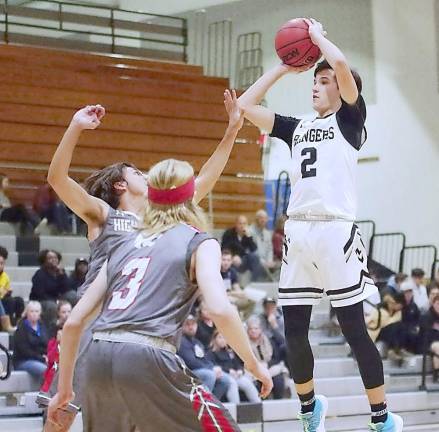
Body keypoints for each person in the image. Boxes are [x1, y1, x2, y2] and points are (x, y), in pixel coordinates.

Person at [44, 89, 251, 430]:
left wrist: (231, 131)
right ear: (120, 186)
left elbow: (203, 181)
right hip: (91, 326)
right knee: (59, 420)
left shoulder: (163, 219)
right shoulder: (104, 215)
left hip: (133, 327)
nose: (145, 175)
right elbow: (56, 179)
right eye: (136, 172)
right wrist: (75, 127)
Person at [238, 18, 403, 431]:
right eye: (315, 79)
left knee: (352, 329)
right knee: (294, 327)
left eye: (324, 80)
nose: (317, 84)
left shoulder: (349, 121)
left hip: (336, 232)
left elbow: (344, 65)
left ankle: (381, 419)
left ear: (343, 89)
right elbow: (245, 107)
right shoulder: (297, 128)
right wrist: (282, 68)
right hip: (298, 232)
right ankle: (310, 408)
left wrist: (316, 39)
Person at [178, 315, 233, 401]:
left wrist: (213, 367)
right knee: (210, 375)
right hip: (187, 372)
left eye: (193, 324)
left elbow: (205, 359)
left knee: (225, 379)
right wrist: (211, 369)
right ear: (182, 326)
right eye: (187, 324)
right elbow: (191, 362)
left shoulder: (196, 342)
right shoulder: (181, 341)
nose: (191, 327)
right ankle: (201, 404)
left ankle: (213, 403)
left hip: (200, 370)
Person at [209, 330, 261, 403]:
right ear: (215, 339)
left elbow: (237, 364)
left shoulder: (229, 352)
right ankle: (235, 408)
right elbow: (213, 366)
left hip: (235, 375)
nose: (223, 340)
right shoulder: (211, 353)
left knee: (247, 382)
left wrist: (240, 370)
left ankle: (258, 404)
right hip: (223, 376)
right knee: (232, 384)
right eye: (220, 337)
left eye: (224, 338)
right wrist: (228, 371)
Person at [29, 250, 75, 328]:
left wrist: (62, 275)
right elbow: (40, 294)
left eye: (55, 258)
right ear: (44, 261)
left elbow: (67, 289)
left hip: (56, 299)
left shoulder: (60, 273)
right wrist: (56, 301)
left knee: (73, 295)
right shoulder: (39, 274)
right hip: (42, 301)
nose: (54, 260)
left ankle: (74, 323)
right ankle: (53, 327)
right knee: (52, 306)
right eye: (50, 258)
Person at [247, 315, 286, 399]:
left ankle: (278, 402)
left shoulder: (269, 340)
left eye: (256, 328)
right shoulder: (245, 344)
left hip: (270, 368)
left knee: (278, 380)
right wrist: (259, 366)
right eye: (251, 329)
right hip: (253, 370)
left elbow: (276, 358)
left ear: (260, 329)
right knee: (257, 382)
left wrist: (266, 364)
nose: (253, 331)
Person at [13, 301, 49, 382]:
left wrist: (48, 356)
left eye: (36, 311)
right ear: (27, 312)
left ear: (40, 313)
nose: (34, 314)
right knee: (45, 370)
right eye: (31, 311)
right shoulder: (21, 328)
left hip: (41, 359)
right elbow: (24, 351)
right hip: (24, 361)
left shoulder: (43, 326)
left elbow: (47, 344)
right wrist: (41, 358)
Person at [222, 215, 266, 281]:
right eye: (240, 223)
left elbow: (253, 249)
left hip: (243, 259)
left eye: (244, 223)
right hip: (231, 259)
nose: (242, 226)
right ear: (236, 224)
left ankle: (254, 282)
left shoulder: (247, 234)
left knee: (255, 257)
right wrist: (233, 256)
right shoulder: (229, 233)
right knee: (228, 261)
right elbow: (224, 248)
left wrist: (249, 236)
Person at [366, 293, 406, 364]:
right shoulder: (380, 310)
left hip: (389, 332)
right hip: (377, 333)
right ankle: (392, 351)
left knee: (398, 327)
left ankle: (396, 350)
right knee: (394, 327)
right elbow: (369, 322)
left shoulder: (397, 312)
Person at [221, 249, 254, 319]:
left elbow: (237, 289)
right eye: (224, 260)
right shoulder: (216, 272)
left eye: (228, 260)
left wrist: (241, 293)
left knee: (252, 300)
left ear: (231, 262)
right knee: (232, 304)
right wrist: (232, 294)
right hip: (220, 298)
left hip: (230, 295)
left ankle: (243, 320)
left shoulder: (232, 272)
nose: (226, 262)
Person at [0, 245, 24, 328]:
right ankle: (8, 324)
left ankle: (18, 322)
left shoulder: (5, 276)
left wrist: (7, 292)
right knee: (9, 301)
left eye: (1, 263)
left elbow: (5, 290)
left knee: (19, 300)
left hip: (3, 298)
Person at [249, 209, 277, 275]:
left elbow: (270, 249)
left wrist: (269, 261)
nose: (263, 220)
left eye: (265, 218)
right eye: (261, 218)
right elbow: (252, 251)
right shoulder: (250, 232)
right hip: (255, 261)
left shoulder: (267, 233)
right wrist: (263, 262)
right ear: (256, 219)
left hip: (266, 262)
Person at [419, 295, 439, 382]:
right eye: (438, 303)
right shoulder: (426, 316)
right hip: (426, 343)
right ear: (433, 304)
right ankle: (436, 374)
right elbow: (426, 334)